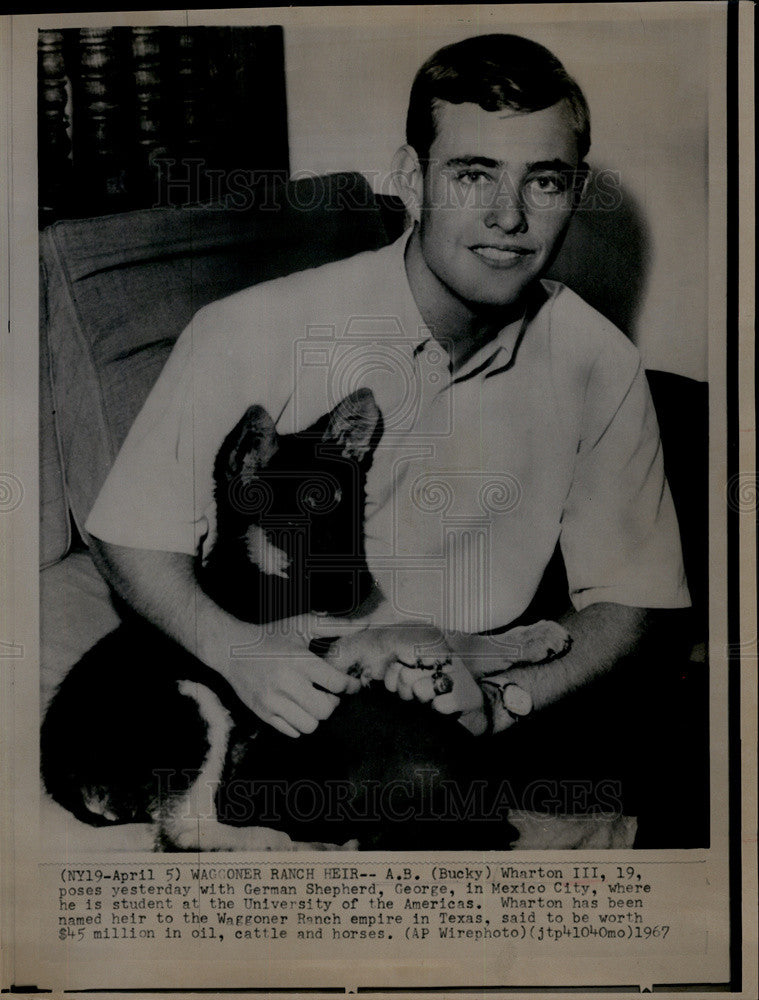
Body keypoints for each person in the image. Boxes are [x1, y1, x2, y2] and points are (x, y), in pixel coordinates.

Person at [85, 34, 691, 838]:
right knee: (422, 780)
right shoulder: (249, 329)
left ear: (574, 190)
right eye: (472, 174)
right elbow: (128, 535)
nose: (509, 218)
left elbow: (630, 602)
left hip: (477, 660)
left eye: (542, 181)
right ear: (411, 180)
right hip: (311, 665)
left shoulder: (599, 358)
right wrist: (236, 652)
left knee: (707, 757)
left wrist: (501, 700)